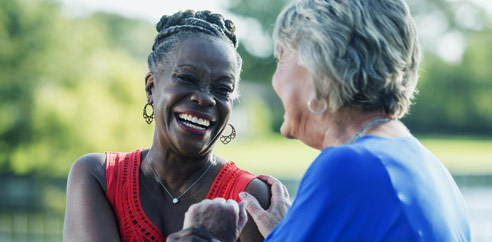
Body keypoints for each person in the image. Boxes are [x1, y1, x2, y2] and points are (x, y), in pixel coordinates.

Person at [167, 0, 471, 241]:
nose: (275, 80)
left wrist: (204, 236)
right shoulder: (425, 164)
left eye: (281, 58)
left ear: (318, 73)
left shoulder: (350, 167)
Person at [63, 10, 271, 242]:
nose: (205, 98)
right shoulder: (98, 176)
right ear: (151, 88)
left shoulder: (249, 199)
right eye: (187, 79)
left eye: (223, 89)